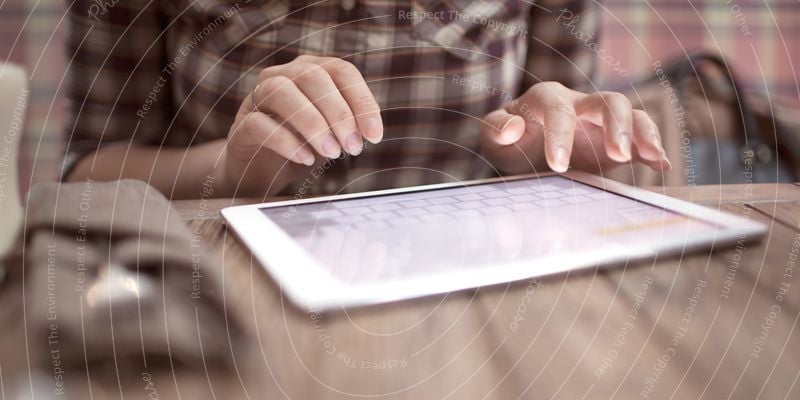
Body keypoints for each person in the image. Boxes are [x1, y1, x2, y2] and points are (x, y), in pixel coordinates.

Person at [64, 0, 670, 199]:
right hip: (216, 292)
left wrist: (537, 147)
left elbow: (544, 124)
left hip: (479, 298)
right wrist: (229, 170)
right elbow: (88, 175)